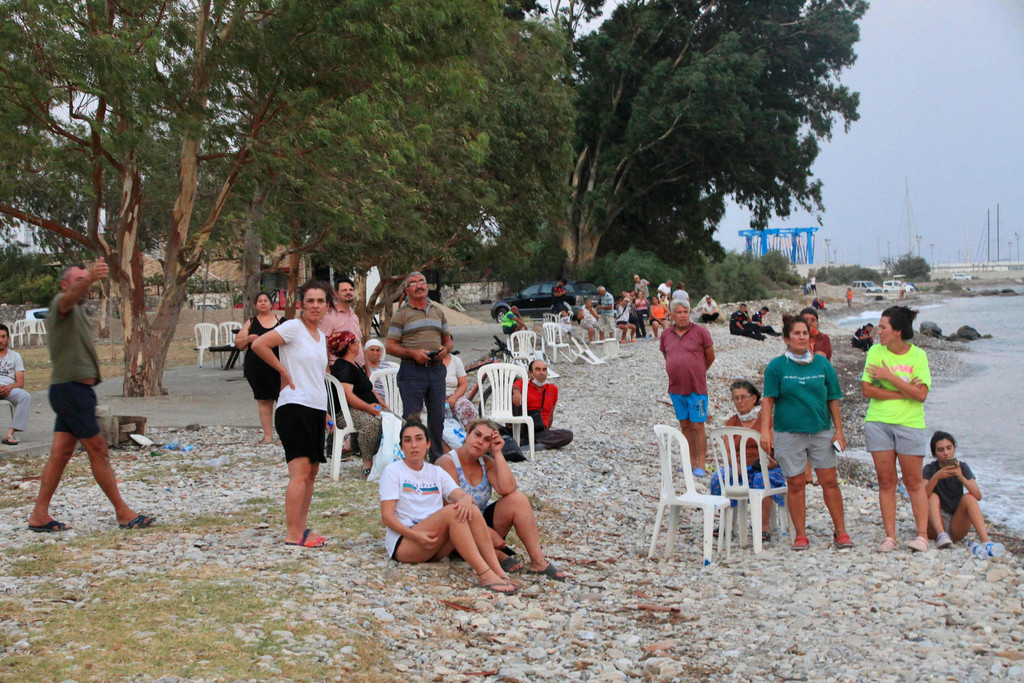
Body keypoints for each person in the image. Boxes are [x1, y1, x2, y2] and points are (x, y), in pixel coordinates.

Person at [28, 259, 154, 533]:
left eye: (86, 283)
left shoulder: (76, 312)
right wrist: (91, 278)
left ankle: (39, 514)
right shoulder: (60, 305)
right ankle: (123, 513)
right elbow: (68, 298)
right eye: (78, 281)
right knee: (98, 449)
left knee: (60, 453)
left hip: (75, 392)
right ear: (64, 285)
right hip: (70, 391)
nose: (84, 287)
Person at [379, 421, 518, 594]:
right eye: (407, 440)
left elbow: (461, 495)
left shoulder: (436, 472)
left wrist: (466, 499)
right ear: (401, 447)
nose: (414, 445)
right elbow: (387, 517)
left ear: (428, 444)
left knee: (470, 508)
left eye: (419, 439)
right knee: (454, 512)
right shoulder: (393, 471)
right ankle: (484, 574)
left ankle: (497, 571)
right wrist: (416, 535)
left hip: (434, 543)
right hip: (406, 542)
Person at [760, 315, 852, 551]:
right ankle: (800, 535)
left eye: (805, 333)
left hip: (821, 431)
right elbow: (768, 401)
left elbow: (833, 399)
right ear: (786, 339)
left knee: (829, 481)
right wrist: (765, 432)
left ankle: (841, 532)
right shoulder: (776, 366)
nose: (801, 337)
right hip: (788, 433)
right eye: (796, 333)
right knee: (795, 482)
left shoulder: (822, 365)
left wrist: (839, 431)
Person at [252, 279, 332, 547]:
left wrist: (325, 412)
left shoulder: (321, 337)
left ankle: (301, 527)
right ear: (301, 304)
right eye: (310, 301)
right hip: (294, 406)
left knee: (312, 472)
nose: (315, 306)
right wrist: (282, 371)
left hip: (315, 408)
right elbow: (259, 344)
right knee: (299, 471)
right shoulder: (293, 327)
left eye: (320, 301)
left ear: (327, 305)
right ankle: (292, 534)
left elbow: (317, 376)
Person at [437, 419, 568, 580]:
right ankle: (495, 554)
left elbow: (508, 488)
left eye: (487, 440)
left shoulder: (486, 463)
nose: (480, 442)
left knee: (518, 499)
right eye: (477, 435)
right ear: (467, 435)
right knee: (459, 515)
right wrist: (487, 533)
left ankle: (538, 561)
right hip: (458, 526)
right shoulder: (447, 462)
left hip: (483, 521)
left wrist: (498, 452)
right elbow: (449, 507)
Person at [861, 305, 932, 553]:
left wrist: (889, 377)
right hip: (878, 422)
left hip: (910, 424)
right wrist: (903, 391)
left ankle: (922, 535)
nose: (878, 332)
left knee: (913, 482)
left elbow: (921, 395)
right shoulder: (874, 352)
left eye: (883, 327)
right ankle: (890, 537)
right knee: (886, 481)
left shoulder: (918, 356)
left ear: (898, 331)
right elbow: (867, 390)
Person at [386, 271, 454, 463]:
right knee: (412, 418)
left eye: (422, 281)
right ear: (407, 290)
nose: (418, 285)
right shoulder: (401, 314)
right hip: (412, 371)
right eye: (413, 283)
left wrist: (445, 350)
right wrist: (414, 354)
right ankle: (413, 461)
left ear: (427, 286)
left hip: (436, 370)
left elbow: (449, 341)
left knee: (438, 417)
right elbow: (390, 346)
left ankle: (437, 460)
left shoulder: (438, 311)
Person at [709, 380, 786, 543]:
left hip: (767, 465)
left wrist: (773, 462)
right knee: (718, 477)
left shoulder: (767, 419)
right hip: (739, 466)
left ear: (754, 398)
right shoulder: (732, 422)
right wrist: (735, 464)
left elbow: (778, 447)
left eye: (743, 397)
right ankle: (725, 522)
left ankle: (763, 526)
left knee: (761, 479)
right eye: (736, 398)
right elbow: (727, 449)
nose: (739, 401)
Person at [660, 300, 715, 476]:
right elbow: (666, 355)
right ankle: (689, 461)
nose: (683, 315)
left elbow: (710, 356)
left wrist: (698, 370)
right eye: (679, 312)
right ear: (672, 315)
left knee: (698, 425)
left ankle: (701, 464)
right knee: (684, 424)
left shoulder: (701, 332)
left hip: (697, 389)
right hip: (676, 389)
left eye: (686, 312)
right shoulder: (666, 335)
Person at [923, 431, 991, 550]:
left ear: (954, 448)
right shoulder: (930, 469)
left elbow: (977, 495)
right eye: (941, 450)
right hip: (935, 524)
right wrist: (936, 477)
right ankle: (941, 535)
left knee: (969, 498)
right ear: (934, 453)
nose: (946, 453)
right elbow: (922, 497)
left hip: (956, 522)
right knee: (932, 497)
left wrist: (960, 476)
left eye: (949, 448)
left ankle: (986, 542)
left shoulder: (962, 467)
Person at [329, 332, 384, 478]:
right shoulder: (344, 368)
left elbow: (370, 389)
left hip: (365, 407)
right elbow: (348, 396)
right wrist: (369, 408)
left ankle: (386, 460)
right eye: (356, 341)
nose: (358, 344)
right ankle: (368, 463)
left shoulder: (355, 364)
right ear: (350, 346)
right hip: (346, 412)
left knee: (397, 422)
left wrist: (382, 404)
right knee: (371, 423)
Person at [235, 292, 283, 445]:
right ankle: (268, 435)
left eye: (266, 300)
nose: (263, 303)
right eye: (260, 301)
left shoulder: (281, 321)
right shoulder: (250, 322)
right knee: (263, 400)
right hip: (257, 368)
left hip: (279, 367)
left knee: (283, 401)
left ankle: (284, 435)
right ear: (256, 305)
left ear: (271, 304)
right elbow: (238, 344)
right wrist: (248, 338)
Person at [512, 359, 573, 450]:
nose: (542, 373)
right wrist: (516, 392)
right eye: (537, 369)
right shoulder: (523, 384)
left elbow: (550, 414)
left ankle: (531, 444)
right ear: (530, 373)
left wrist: (547, 432)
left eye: (544, 369)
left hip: (540, 431)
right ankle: (536, 444)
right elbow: (515, 385)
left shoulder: (553, 389)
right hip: (522, 429)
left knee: (568, 435)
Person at [320, 276, 363, 369]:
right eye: (344, 290)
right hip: (339, 368)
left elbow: (360, 343)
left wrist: (367, 370)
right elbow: (324, 345)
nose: (348, 292)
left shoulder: (354, 317)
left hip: (358, 367)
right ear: (336, 294)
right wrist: (327, 370)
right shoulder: (329, 316)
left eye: (351, 290)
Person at [0, 324, 31, 445]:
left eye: (3, 337)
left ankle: (9, 433)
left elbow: (20, 382)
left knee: (25, 396)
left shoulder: (15, 356)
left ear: (8, 338)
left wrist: (9, 387)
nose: (0, 340)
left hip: (9, 389)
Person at [442, 350, 479, 428]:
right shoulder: (428, 362)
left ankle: (471, 432)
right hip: (434, 397)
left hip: (453, 395)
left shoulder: (456, 360)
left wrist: (453, 398)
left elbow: (463, 384)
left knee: (467, 407)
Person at [363, 338, 396, 403]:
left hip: (388, 400)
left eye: (378, 350)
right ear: (366, 352)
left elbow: (394, 387)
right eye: (372, 350)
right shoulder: (362, 368)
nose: (375, 353)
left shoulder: (387, 367)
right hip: (368, 401)